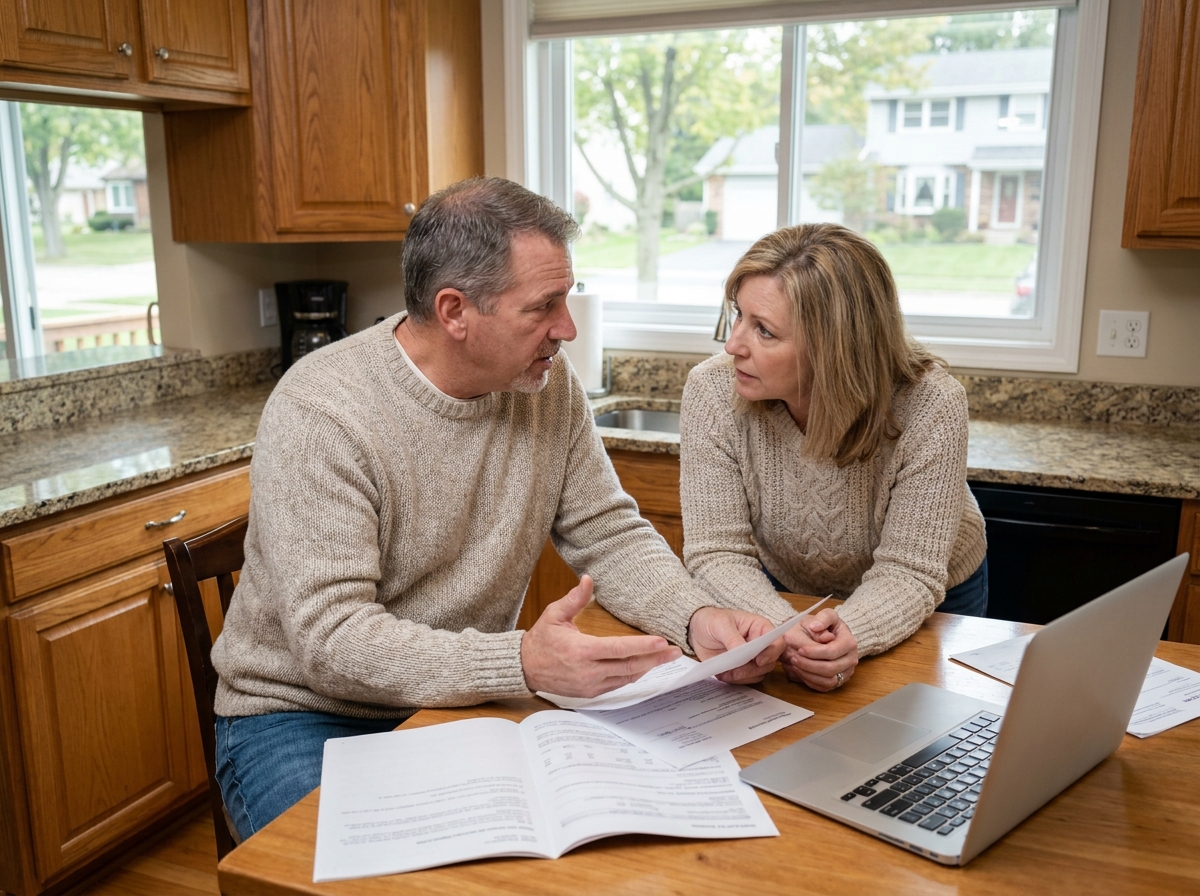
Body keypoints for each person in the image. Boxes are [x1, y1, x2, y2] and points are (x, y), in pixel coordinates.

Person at [209, 177, 785, 841]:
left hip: (456, 699)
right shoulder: (324, 413)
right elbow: (332, 642)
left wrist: (696, 617)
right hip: (304, 716)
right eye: (544, 306)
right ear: (455, 311)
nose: (567, 329)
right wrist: (521, 665)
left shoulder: (543, 385)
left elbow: (608, 534)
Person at [679, 223, 987, 694]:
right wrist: (788, 631)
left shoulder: (932, 404)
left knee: (916, 729)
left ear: (834, 347)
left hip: (934, 592)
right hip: (784, 586)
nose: (733, 345)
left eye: (764, 331)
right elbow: (717, 552)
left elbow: (909, 570)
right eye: (739, 316)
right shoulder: (712, 392)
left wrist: (854, 634)